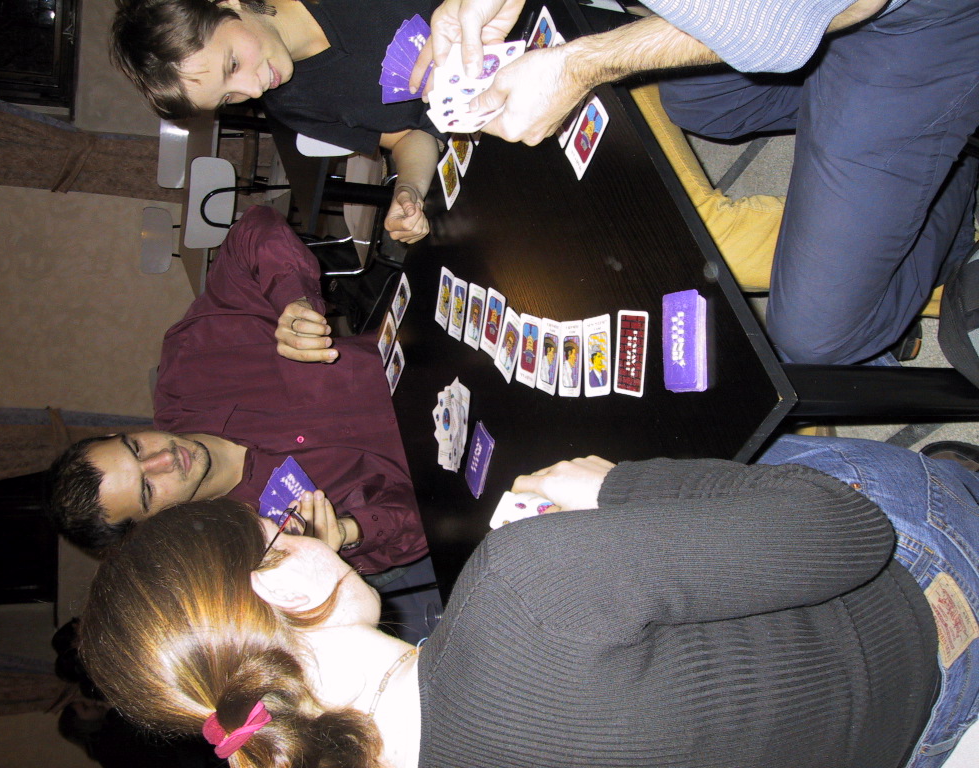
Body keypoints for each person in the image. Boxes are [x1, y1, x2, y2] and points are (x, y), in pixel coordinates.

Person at [78, 433, 979, 768]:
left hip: (891, 751)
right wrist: (614, 487)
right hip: (928, 627)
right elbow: (849, 535)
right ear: (280, 583)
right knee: (781, 464)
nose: (299, 532)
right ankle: (955, 477)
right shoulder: (519, 590)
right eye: (279, 534)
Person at [409, 0, 979, 364]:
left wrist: (582, 64)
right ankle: (876, 125)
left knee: (814, 338)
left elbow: (794, 17)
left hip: (910, 17)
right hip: (819, 18)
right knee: (697, 101)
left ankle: (941, 157)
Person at [47, 205, 427, 577]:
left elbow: (252, 230)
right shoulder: (261, 542)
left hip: (432, 355)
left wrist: (294, 301)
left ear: (119, 434)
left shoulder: (193, 363)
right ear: (150, 523)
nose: (163, 459)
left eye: (136, 448)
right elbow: (428, 522)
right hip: (448, 463)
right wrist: (348, 531)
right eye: (147, 488)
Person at [111, 0, 446, 244]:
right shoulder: (289, 103)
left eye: (232, 65)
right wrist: (409, 189)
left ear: (228, 4)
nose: (253, 90)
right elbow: (406, 137)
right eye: (227, 98)